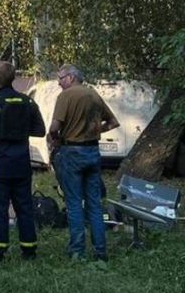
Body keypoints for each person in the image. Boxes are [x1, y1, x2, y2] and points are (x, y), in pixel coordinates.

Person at [48, 64, 119, 261]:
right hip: (93, 153)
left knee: (74, 204)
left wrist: (55, 139)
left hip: (71, 152)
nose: (59, 83)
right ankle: (100, 251)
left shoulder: (65, 96)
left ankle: (77, 251)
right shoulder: (94, 95)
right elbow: (113, 122)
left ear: (71, 78)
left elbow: (54, 127)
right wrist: (96, 131)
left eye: (61, 78)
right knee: (94, 204)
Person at [0, 61, 45, 263]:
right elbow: (40, 130)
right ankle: (29, 249)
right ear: (14, 77)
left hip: (0, 163)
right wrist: (20, 130)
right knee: (24, 206)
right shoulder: (27, 102)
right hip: (22, 164)